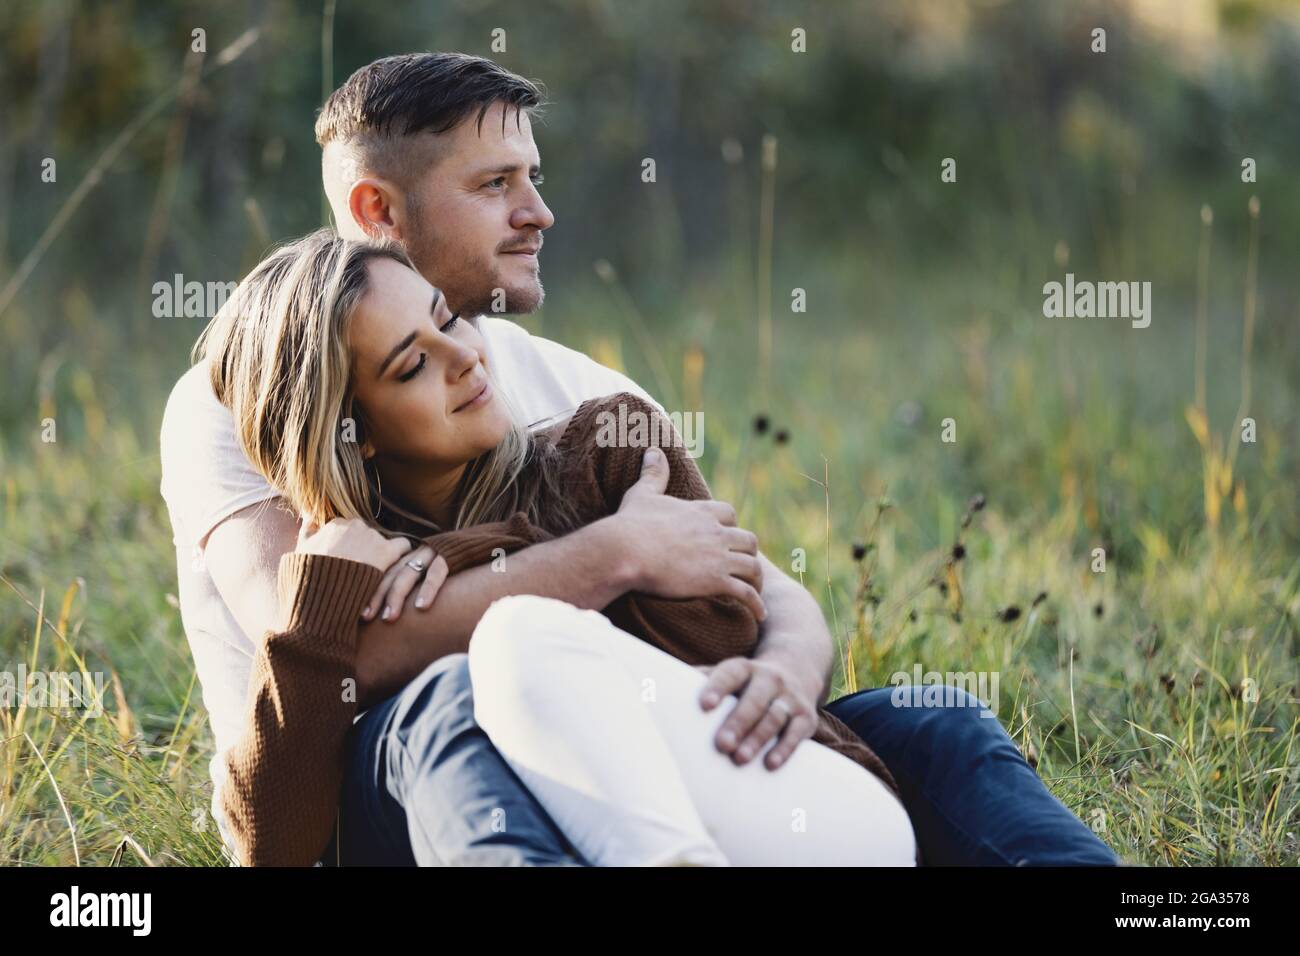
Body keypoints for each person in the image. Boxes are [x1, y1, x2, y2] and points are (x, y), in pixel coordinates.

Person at [159, 51, 1118, 866]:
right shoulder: (242, 396)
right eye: (495, 185)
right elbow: (346, 646)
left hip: (633, 734)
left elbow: (748, 583)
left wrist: (782, 673)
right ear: (380, 210)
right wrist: (616, 554)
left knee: (936, 726)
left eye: (533, 177)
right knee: (459, 692)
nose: (539, 212)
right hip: (389, 769)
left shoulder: (586, 402)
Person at [209, 230, 920, 866]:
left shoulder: (608, 453)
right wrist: (312, 622)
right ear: (348, 432)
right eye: (411, 366)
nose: (464, 356)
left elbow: (722, 640)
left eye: (447, 317)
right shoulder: (346, 578)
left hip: (795, 810)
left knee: (519, 634)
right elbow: (273, 846)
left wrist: (539, 563)